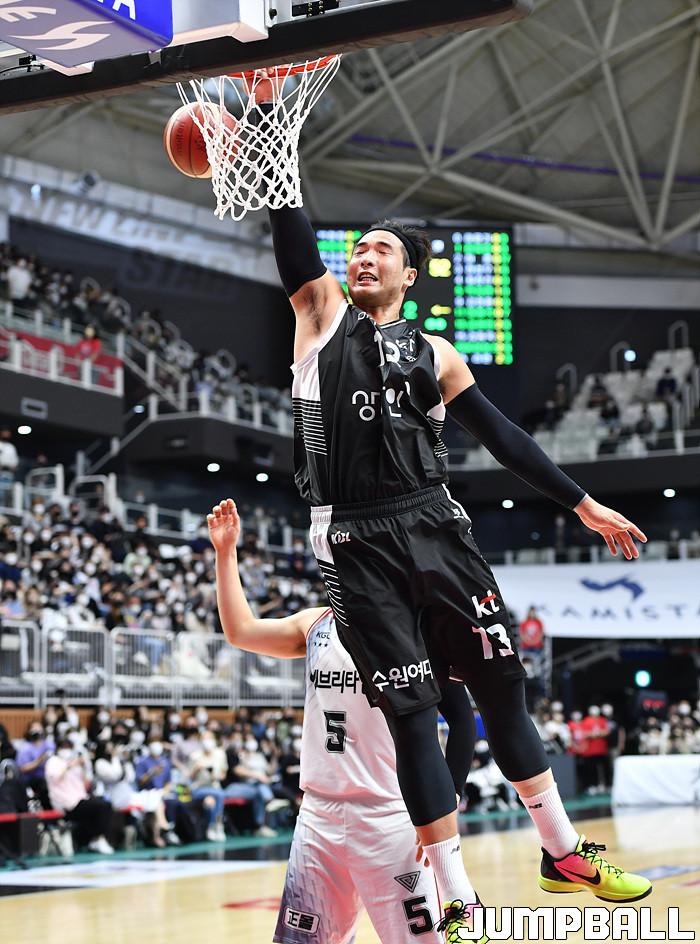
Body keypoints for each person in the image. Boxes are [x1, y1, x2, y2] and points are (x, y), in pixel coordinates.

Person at [246, 67, 652, 935]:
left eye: (380, 250)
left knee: (502, 687)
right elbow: (291, 229)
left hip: (434, 522)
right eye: (357, 249)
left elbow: (503, 436)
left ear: (409, 275)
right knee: (414, 714)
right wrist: (269, 113)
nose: (362, 256)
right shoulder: (320, 316)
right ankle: (458, 898)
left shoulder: (437, 353)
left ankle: (562, 851)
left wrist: (581, 503)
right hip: (353, 540)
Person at [208, 497, 477, 944]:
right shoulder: (316, 624)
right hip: (319, 815)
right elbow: (241, 632)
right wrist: (225, 553)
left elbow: (462, 722)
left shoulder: (416, 631)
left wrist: (441, 809)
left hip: (393, 816)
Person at [45, 737, 114, 854]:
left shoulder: (76, 763)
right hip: (65, 802)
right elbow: (55, 778)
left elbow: (86, 785)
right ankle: (97, 839)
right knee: (101, 807)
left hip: (80, 798)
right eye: (64, 747)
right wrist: (69, 765)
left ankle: (96, 839)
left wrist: (85, 767)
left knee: (105, 804)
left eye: (69, 747)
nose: (66, 750)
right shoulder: (53, 761)